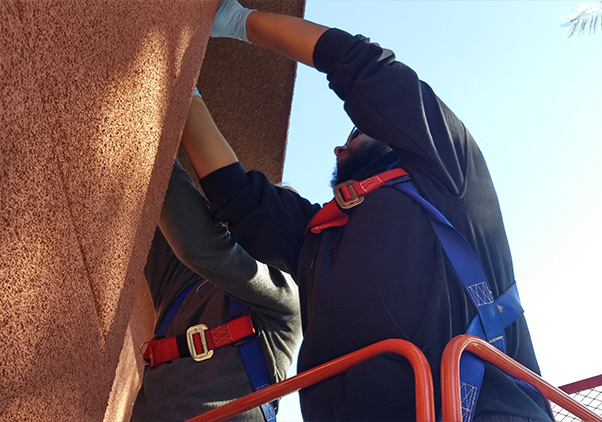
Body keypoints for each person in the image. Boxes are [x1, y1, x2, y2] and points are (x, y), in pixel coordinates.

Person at [180, 2, 554, 421]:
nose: (339, 146)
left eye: (354, 130)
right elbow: (240, 199)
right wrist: (184, 91)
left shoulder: (450, 177)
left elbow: (360, 67)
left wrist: (236, 20)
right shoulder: (319, 239)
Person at [132, 120, 302, 421]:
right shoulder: (187, 282)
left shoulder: (287, 295)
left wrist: (143, 121)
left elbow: (204, 246)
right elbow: (151, 198)